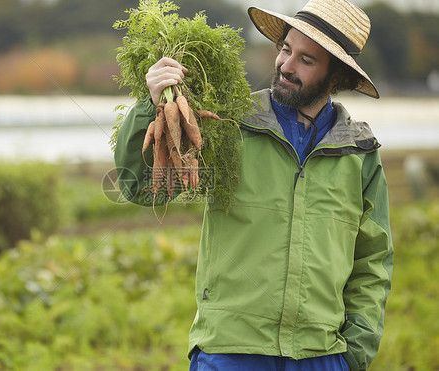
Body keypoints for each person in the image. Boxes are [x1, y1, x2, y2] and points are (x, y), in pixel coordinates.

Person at [114, 0, 393, 370]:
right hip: (229, 350)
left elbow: (372, 262)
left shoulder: (359, 154)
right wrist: (152, 107)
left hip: (321, 355)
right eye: (286, 49)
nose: (286, 65)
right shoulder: (229, 126)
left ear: (337, 77)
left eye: (306, 60)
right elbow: (143, 187)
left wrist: (353, 355)